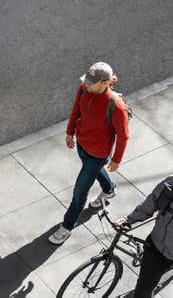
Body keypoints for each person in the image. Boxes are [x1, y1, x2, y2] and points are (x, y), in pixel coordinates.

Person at [49, 62, 130, 245]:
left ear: (104, 83)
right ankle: (109, 190)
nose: (86, 84)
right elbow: (76, 109)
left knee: (80, 191)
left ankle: (67, 227)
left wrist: (116, 160)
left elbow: (123, 136)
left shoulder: (116, 106)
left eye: (90, 82)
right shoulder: (84, 89)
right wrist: (70, 131)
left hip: (98, 154)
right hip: (82, 145)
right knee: (91, 170)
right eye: (86, 80)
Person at [117, 176, 173, 298]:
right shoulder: (170, 183)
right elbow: (151, 202)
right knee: (142, 292)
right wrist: (129, 219)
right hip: (156, 248)